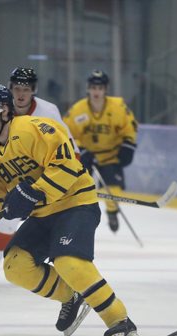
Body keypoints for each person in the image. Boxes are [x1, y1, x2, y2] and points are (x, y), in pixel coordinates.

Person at [0, 84, 140, 336]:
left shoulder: (35, 128)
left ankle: (120, 321)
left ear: (4, 109)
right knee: (15, 266)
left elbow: (67, 165)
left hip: (75, 202)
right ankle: (71, 296)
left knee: (68, 261)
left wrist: (35, 191)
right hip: (42, 215)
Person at [0, 67, 79, 287]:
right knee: (3, 222)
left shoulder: (47, 111)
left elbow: (67, 144)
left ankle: (65, 268)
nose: (21, 94)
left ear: (33, 90)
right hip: (8, 176)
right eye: (17, 89)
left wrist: (72, 170)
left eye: (25, 89)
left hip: (43, 179)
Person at [63, 69, 138, 232]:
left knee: (114, 190)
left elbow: (129, 127)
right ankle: (78, 216)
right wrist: (80, 150)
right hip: (86, 157)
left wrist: (128, 145)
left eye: (100, 88)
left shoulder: (118, 106)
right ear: (88, 89)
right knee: (79, 189)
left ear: (105, 89)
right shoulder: (77, 110)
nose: (96, 91)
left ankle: (112, 212)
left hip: (111, 156)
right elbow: (65, 133)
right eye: (93, 87)